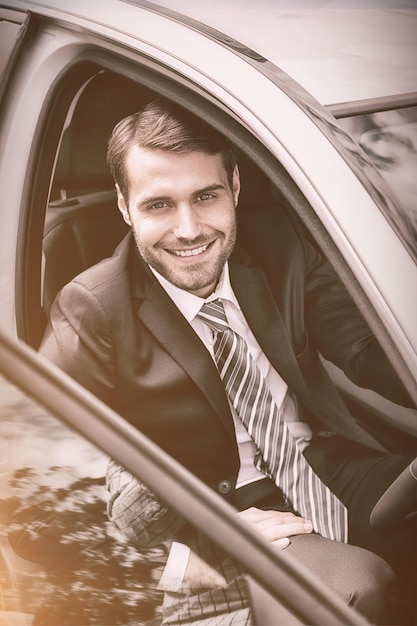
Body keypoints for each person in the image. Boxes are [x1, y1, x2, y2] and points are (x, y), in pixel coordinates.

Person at [40, 98, 416, 625]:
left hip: (326, 466)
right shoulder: (92, 308)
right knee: (356, 590)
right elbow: (40, 494)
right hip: (220, 514)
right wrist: (205, 542)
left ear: (234, 188)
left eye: (206, 196)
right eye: (159, 205)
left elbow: (371, 349)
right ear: (124, 206)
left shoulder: (280, 245)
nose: (190, 229)